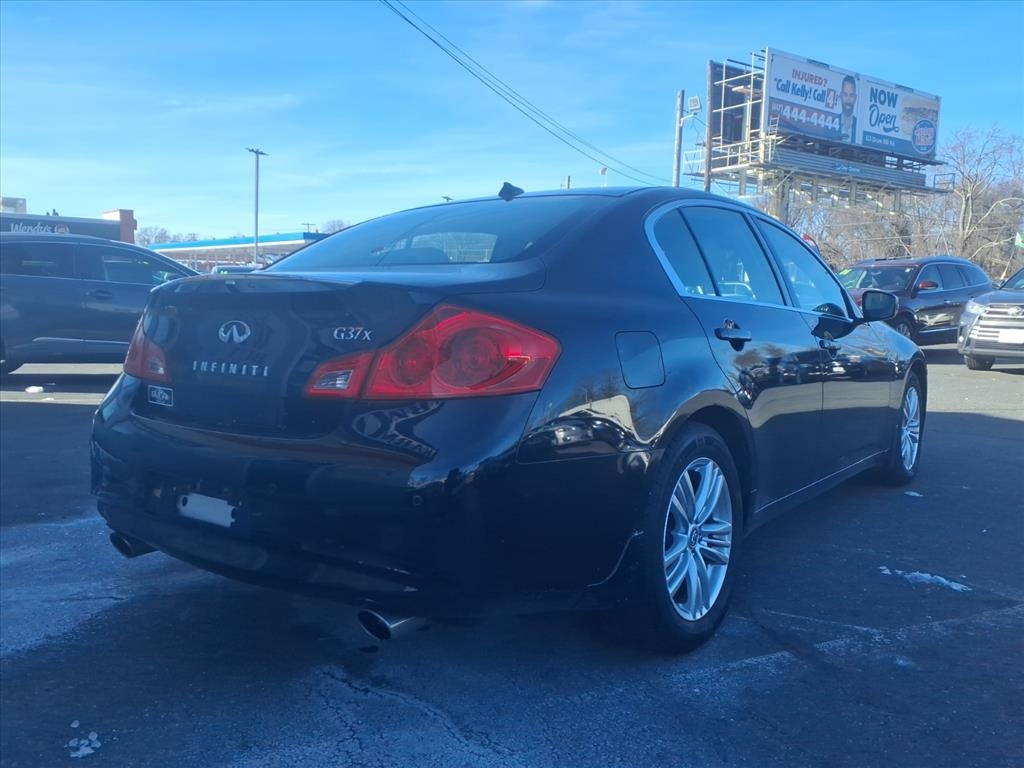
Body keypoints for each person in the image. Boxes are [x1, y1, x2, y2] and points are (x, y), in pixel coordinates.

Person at [839, 75, 857, 143]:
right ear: (841, 96)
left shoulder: (858, 126)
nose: (848, 100)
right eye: (845, 95)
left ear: (855, 98)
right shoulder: (831, 122)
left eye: (851, 95)